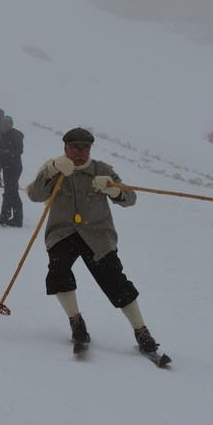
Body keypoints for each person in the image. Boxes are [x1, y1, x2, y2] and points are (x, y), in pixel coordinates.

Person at [26, 127, 162, 355]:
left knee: (115, 281)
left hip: (98, 235)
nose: (80, 152)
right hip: (62, 233)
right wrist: (51, 170)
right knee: (58, 271)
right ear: (65, 148)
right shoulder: (54, 168)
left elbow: (130, 198)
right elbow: (34, 194)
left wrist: (113, 190)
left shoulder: (102, 170)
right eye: (75, 148)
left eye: (85, 148)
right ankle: (76, 321)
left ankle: (141, 330)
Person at [0, 116, 24, 227]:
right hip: (7, 167)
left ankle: (14, 218)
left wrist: (4, 152)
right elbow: (5, 150)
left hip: (14, 167)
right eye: (4, 123)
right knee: (10, 191)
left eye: (7, 123)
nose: (5, 125)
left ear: (11, 124)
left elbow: (18, 150)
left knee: (11, 191)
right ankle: (7, 215)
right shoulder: (4, 135)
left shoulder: (15, 134)